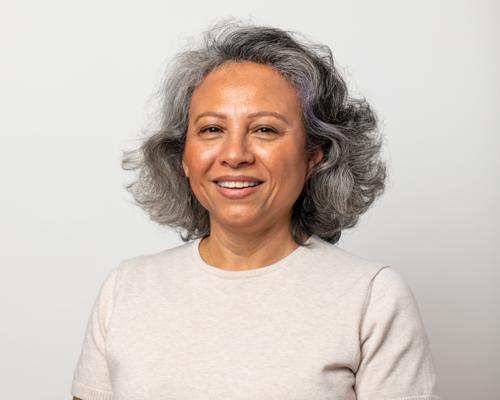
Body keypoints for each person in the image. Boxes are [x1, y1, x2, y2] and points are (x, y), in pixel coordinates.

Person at [71, 19, 440, 400]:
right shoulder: (126, 288)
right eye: (212, 129)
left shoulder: (371, 296)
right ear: (183, 155)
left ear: (314, 155)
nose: (234, 155)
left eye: (265, 129)